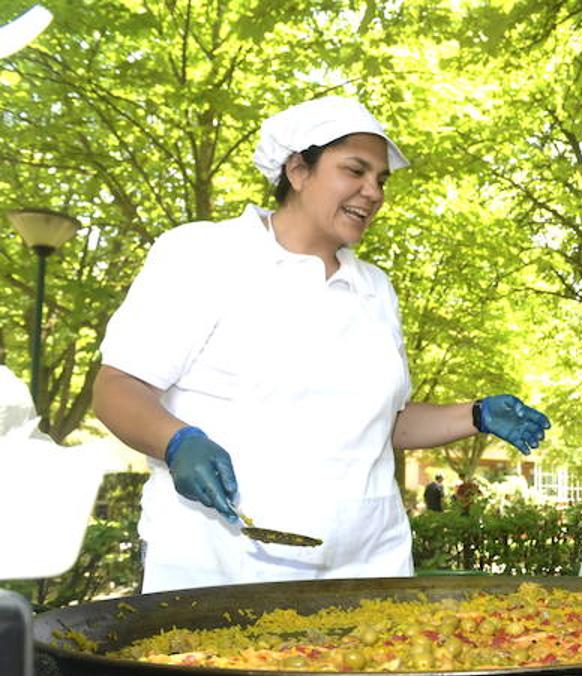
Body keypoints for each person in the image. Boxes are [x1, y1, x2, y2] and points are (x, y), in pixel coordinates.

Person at [93, 96, 550, 592]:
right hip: (223, 567)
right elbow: (118, 386)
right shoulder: (205, 254)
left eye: (381, 180)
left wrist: (475, 414)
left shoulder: (375, 289)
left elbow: (382, 425)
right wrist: (176, 440)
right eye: (355, 170)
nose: (372, 192)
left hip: (368, 568)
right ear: (297, 170)